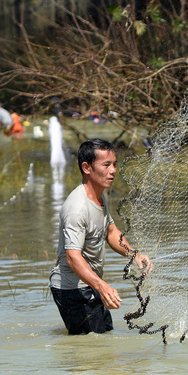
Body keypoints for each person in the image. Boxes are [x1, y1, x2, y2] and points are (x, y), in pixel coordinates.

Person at [49, 139, 153, 335]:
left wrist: (134, 255)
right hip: (73, 290)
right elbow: (72, 258)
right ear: (87, 168)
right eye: (106, 165)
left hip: (90, 284)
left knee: (103, 338)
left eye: (114, 164)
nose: (113, 170)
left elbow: (111, 232)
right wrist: (102, 286)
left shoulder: (98, 195)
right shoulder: (77, 208)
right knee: (91, 350)